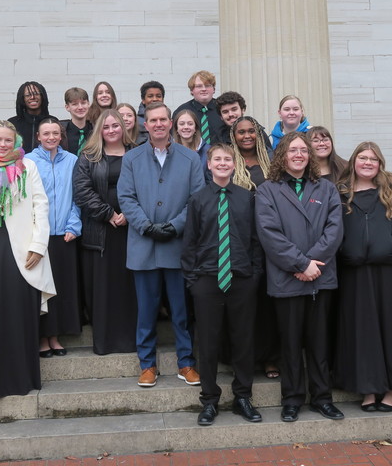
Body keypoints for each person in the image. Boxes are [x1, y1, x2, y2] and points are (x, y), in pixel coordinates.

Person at [255, 131, 344, 423]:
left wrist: (312, 264)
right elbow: (269, 234)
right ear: (282, 155)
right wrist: (300, 263)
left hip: (320, 276)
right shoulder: (268, 190)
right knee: (290, 343)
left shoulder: (326, 189)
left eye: (303, 151)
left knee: (319, 342)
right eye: (293, 150)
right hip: (287, 277)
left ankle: (322, 398)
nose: (298, 155)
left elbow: (334, 230)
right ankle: (292, 399)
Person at [0, 120, 56, 399]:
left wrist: (39, 245)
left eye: (8, 141)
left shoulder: (28, 167)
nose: (3, 145)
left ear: (15, 143)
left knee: (20, 313)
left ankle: (23, 377)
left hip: (22, 248)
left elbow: (41, 206)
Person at [118, 102, 205, 388]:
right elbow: (126, 198)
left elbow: (197, 199)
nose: (158, 124)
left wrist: (174, 226)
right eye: (152, 120)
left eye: (163, 120)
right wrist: (146, 226)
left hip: (177, 246)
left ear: (171, 123)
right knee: (146, 311)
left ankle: (186, 362)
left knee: (181, 312)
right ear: (145, 124)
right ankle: (147, 365)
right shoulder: (131, 159)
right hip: (143, 246)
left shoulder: (190, 159)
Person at [334, 141, 392, 413]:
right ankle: (369, 389)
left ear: (380, 163)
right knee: (363, 332)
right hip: (356, 273)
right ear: (353, 161)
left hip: (391, 271)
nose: (368, 163)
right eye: (363, 158)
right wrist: (345, 250)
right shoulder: (341, 192)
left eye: (373, 159)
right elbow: (330, 226)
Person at [182, 144, 264, 426]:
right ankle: (209, 400)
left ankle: (243, 396)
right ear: (208, 164)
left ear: (234, 164)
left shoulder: (246, 198)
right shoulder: (198, 199)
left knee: (243, 340)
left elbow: (255, 241)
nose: (222, 163)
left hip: (241, 278)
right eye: (217, 159)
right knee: (208, 341)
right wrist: (193, 281)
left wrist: (254, 276)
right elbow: (189, 242)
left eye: (227, 159)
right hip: (206, 278)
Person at [72, 110, 138, 355]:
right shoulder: (89, 156)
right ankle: (106, 342)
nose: (111, 130)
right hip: (100, 232)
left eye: (115, 126)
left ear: (123, 127)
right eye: (106, 127)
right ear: (99, 130)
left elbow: (147, 187)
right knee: (104, 288)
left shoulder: (137, 153)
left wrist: (130, 214)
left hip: (132, 230)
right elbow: (82, 191)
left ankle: (130, 341)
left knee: (128, 287)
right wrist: (109, 214)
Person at [26, 117, 83, 357]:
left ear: (61, 136)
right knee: (41, 288)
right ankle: (41, 337)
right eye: (46, 133)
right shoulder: (28, 161)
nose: (51, 137)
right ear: (38, 136)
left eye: (55, 133)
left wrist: (74, 224)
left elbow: (78, 194)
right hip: (39, 236)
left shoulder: (72, 160)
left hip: (65, 235)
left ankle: (56, 337)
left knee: (61, 287)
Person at [228, 115, 279, 379]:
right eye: (241, 132)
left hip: (270, 239)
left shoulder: (271, 163)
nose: (247, 136)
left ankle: (270, 357)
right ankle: (244, 357)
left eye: (252, 131)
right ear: (233, 137)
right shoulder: (229, 162)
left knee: (267, 302)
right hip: (240, 240)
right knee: (244, 303)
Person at [173, 70, 225, 147]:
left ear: (213, 89)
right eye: (199, 86)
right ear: (191, 91)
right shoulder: (182, 111)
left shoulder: (223, 109)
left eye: (207, 85)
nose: (204, 89)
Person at [8, 81, 51, 152]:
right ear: (22, 99)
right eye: (28, 95)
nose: (32, 97)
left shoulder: (51, 121)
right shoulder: (12, 123)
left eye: (36, 94)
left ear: (42, 96)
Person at [61, 87, 92, 155]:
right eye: (75, 104)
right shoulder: (61, 133)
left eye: (83, 103)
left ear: (88, 104)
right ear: (67, 107)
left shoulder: (95, 130)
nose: (80, 107)